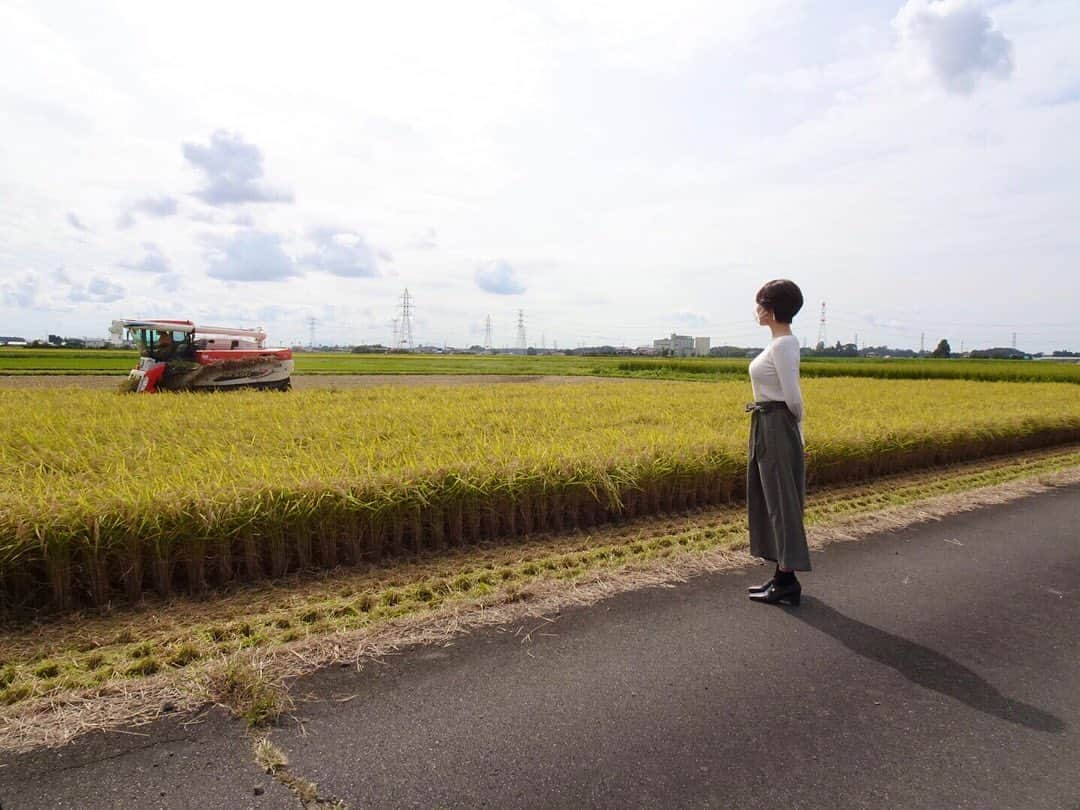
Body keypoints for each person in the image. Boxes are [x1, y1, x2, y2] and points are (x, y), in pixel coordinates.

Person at [745, 279, 809, 605]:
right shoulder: (777, 344)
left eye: (760, 304)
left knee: (782, 502)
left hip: (776, 425)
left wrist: (791, 431)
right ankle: (781, 577)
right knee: (770, 500)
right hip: (766, 423)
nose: (756, 310)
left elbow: (793, 398)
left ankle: (787, 581)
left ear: (770, 309)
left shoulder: (784, 345)